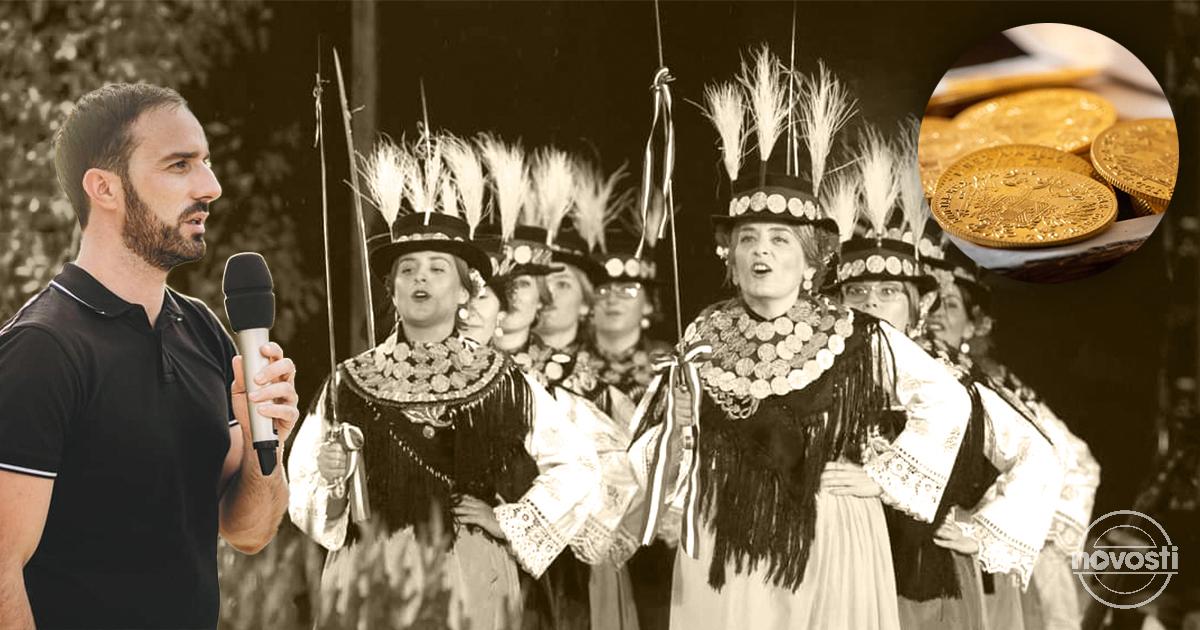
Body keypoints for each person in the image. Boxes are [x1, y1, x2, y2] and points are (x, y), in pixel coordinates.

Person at [637, 51, 972, 630]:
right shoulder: (703, 333)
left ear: (812, 260)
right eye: (747, 239)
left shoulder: (857, 335)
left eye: (780, 240)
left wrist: (882, 478)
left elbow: (947, 403)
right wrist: (681, 425)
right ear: (730, 256)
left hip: (829, 533)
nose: (761, 252)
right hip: (724, 534)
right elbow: (651, 442)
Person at [0, 83, 300, 630]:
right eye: (180, 165)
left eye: (206, 162)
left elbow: (248, 531)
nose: (210, 187)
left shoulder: (204, 331)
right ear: (104, 188)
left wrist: (269, 441)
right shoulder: (42, 349)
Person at [288, 138, 601, 630]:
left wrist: (509, 521)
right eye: (408, 270)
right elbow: (305, 483)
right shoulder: (350, 380)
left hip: (469, 572)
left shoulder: (502, 378)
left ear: (464, 292)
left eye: (437, 269)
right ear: (392, 291)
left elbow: (579, 464)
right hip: (371, 568)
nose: (421, 279)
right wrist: (332, 479)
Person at [830, 130, 1063, 630]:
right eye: (857, 292)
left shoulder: (953, 380)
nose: (871, 304)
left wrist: (983, 529)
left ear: (921, 304)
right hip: (838, 566)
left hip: (922, 583)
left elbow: (1038, 454)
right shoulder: (816, 370)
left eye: (888, 291)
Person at [925, 244, 1100, 630]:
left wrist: (997, 522)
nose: (936, 314)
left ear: (974, 325)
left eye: (950, 305)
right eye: (930, 301)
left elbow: (1075, 463)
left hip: (967, 546)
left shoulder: (996, 386)